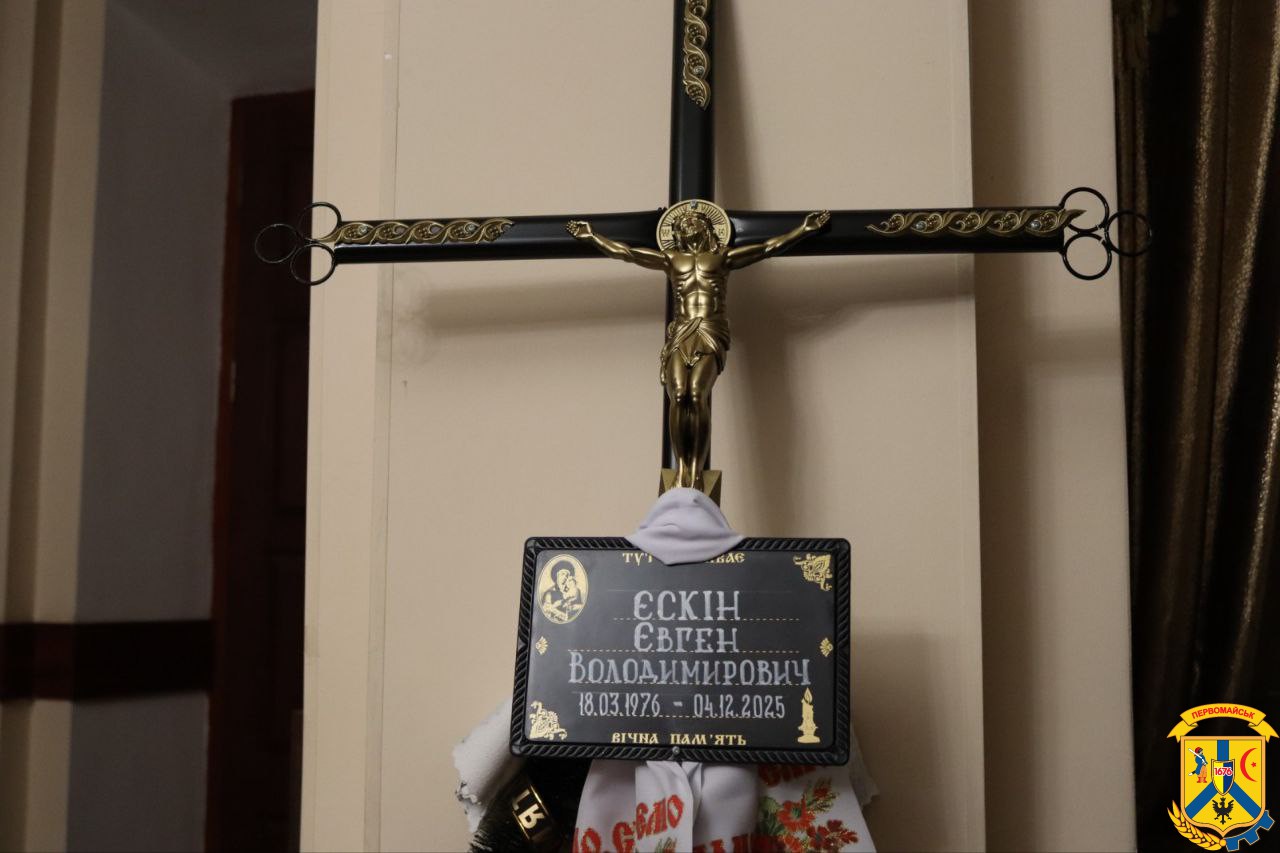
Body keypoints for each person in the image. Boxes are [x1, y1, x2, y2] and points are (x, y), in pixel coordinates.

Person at [568, 204, 829, 488]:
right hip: (682, 332)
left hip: (710, 329)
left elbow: (767, 248)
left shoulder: (722, 257)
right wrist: (592, 236)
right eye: (683, 223)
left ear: (707, 227)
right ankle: (681, 466)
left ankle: (695, 469)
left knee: (696, 393)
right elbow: (628, 253)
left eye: (694, 221)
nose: (688, 225)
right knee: (679, 395)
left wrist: (804, 230)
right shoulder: (672, 259)